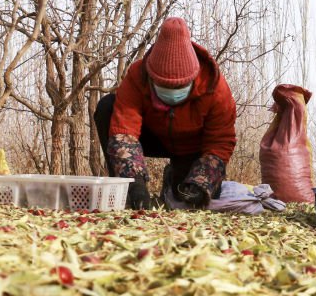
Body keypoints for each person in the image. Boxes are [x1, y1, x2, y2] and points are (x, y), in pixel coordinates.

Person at [94, 17, 237, 210]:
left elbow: (220, 142)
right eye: (163, 86)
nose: (171, 93)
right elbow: (124, 131)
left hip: (192, 145)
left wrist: (202, 181)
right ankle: (123, 191)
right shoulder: (137, 75)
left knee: (189, 195)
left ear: (193, 79)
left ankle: (174, 175)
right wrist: (133, 181)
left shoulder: (215, 88)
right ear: (151, 78)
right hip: (153, 137)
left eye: (179, 87)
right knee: (106, 107)